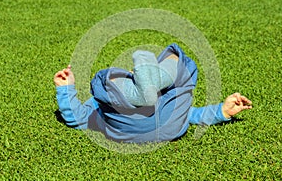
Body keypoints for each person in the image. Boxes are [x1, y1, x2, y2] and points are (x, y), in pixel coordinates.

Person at [54, 43, 252, 143]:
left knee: (103, 80)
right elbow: (190, 115)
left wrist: (66, 87)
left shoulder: (99, 105)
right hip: (172, 127)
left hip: (128, 131)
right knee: (178, 58)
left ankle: (146, 86)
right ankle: (152, 81)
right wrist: (221, 112)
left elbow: (75, 118)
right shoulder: (164, 101)